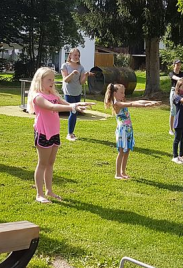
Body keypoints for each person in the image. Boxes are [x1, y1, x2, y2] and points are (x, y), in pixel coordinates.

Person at [27, 67, 95, 203]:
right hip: (43, 133)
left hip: (54, 133)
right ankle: (39, 194)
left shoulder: (53, 95)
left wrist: (79, 104)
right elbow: (52, 107)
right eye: (49, 80)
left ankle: (49, 191)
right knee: (42, 163)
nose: (52, 82)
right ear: (40, 80)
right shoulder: (38, 97)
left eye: (53, 79)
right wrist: (72, 107)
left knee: (50, 163)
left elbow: (66, 104)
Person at [104, 83, 161, 179]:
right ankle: (117, 174)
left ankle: (123, 172)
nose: (123, 95)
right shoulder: (117, 104)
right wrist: (146, 105)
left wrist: (150, 102)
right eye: (121, 92)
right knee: (121, 152)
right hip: (122, 131)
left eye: (124, 92)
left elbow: (138, 101)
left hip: (128, 130)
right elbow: (131, 104)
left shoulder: (121, 101)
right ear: (114, 93)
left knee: (127, 152)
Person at [60, 48, 94, 141]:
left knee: (75, 113)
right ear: (70, 55)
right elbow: (66, 80)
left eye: (78, 55)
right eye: (75, 55)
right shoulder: (65, 65)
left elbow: (81, 82)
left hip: (77, 92)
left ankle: (71, 133)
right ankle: (69, 134)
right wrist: (72, 73)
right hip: (68, 92)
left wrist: (85, 75)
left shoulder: (81, 67)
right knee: (73, 111)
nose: (77, 57)